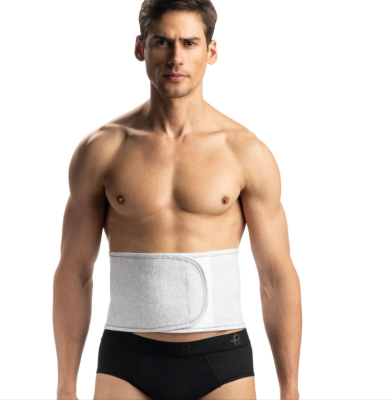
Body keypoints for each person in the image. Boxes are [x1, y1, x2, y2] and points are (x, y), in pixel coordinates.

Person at [53, 1, 302, 399]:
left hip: (222, 361)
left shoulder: (244, 152)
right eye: (162, 42)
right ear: (140, 48)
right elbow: (74, 271)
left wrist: (290, 388)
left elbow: (276, 277)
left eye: (189, 43)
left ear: (211, 51)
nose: (176, 57)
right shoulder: (102, 150)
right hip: (126, 361)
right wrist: (66, 385)